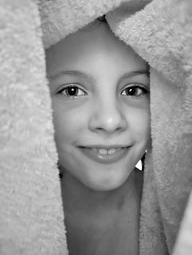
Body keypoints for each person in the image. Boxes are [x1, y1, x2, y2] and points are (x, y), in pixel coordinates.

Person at [46, 16, 150, 255]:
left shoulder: (181, 212)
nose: (110, 121)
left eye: (134, 90)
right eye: (72, 90)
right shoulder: (3, 219)